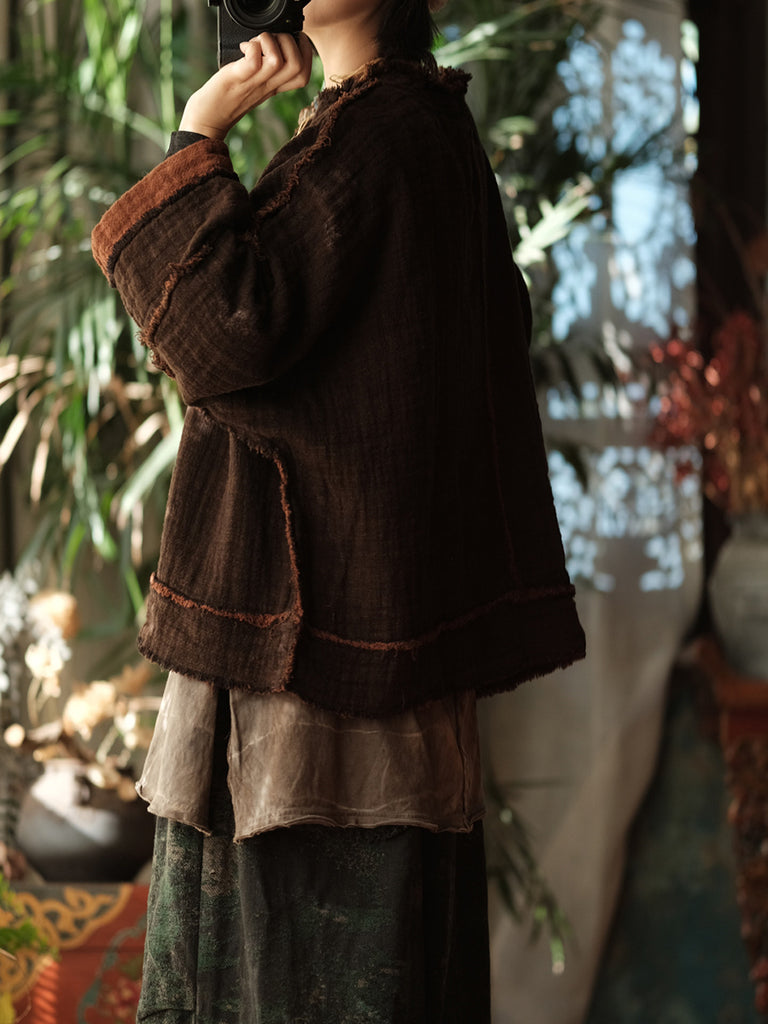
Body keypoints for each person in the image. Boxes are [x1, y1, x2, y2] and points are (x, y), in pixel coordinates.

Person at [91, 0, 585, 1017]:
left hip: (316, 697)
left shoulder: (381, 135)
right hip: (340, 671)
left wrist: (198, 132)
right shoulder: (406, 126)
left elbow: (225, 326)